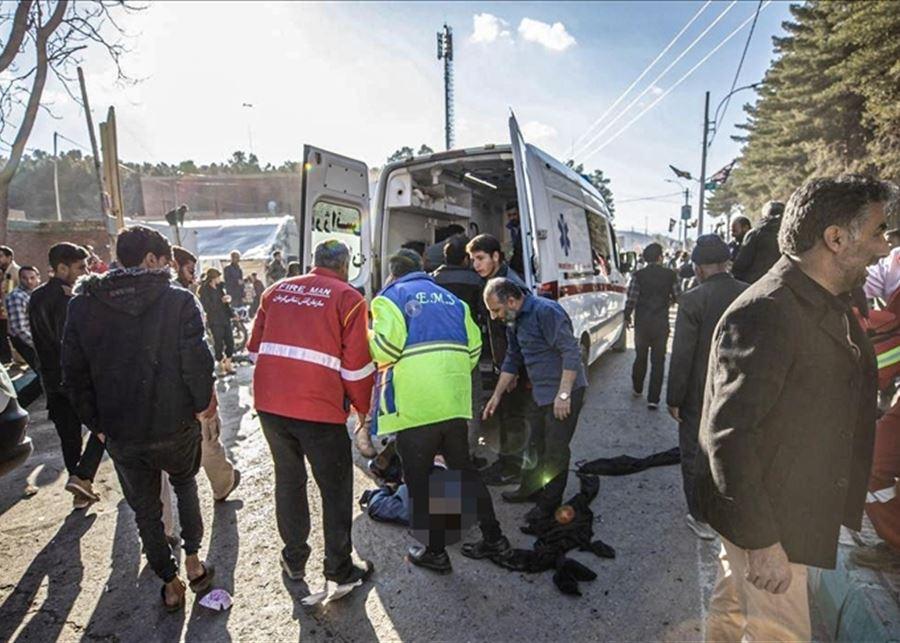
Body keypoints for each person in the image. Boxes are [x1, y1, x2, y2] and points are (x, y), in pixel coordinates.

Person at [697, 176, 893, 642]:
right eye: (879, 232)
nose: (885, 248)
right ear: (836, 238)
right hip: (773, 522)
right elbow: (732, 436)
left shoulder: (826, 299)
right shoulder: (768, 312)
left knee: (732, 602)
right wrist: (764, 544)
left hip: (786, 511)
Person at [62, 225, 218, 611]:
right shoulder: (179, 301)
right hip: (175, 424)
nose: (168, 268)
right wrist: (203, 406)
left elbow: (73, 373)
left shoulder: (83, 303)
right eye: (165, 261)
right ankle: (194, 562)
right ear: (151, 259)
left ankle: (169, 582)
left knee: (145, 510)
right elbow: (198, 363)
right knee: (185, 487)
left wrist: (97, 423)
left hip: (120, 430)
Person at [369, 249, 511, 574]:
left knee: (417, 482)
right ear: (422, 269)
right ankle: (495, 538)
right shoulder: (451, 300)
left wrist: (366, 337)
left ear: (393, 272)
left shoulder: (389, 298)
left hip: (418, 407)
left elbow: (386, 350)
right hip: (454, 404)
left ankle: (434, 552)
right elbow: (474, 350)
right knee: (465, 474)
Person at [248, 239, 375, 588]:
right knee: (334, 489)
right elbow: (356, 368)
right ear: (345, 265)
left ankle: (294, 559)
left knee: (289, 480)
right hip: (319, 409)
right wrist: (363, 410)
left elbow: (255, 350)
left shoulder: (275, 291)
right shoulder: (349, 298)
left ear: (313, 262)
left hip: (271, 407)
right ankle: (338, 566)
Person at [482, 277, 588, 523]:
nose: (495, 316)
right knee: (533, 444)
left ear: (511, 300)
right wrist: (496, 395)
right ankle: (529, 489)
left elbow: (570, 351)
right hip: (540, 392)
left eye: (496, 310)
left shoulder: (545, 311)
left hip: (564, 391)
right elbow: (512, 358)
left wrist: (564, 394)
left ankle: (549, 506)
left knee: (555, 451)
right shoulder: (513, 319)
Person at [665, 235, 747, 542]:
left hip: (700, 393)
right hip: (739, 389)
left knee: (695, 453)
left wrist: (674, 398)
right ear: (727, 263)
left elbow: (682, 354)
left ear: (698, 269)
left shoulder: (693, 298)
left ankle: (700, 516)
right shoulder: (749, 293)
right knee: (732, 452)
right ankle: (730, 511)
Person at [165, 245, 240, 514]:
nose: (192, 275)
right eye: (189, 268)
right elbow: (197, 352)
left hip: (161, 390)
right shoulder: (181, 298)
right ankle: (223, 483)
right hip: (187, 386)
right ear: (173, 265)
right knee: (207, 437)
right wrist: (208, 393)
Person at [30, 243, 104, 509]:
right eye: (79, 267)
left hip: (51, 379)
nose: (84, 272)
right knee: (104, 425)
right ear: (61, 268)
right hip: (74, 379)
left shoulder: (36, 297)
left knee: (69, 437)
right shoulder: (67, 298)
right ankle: (83, 477)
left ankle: (79, 490)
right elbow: (69, 342)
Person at [465, 233, 531, 487]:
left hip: (514, 364)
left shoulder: (509, 285)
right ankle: (507, 462)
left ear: (496, 256)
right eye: (473, 260)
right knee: (506, 414)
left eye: (480, 258)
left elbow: (517, 333)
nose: (476, 265)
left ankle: (513, 468)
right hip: (503, 360)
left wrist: (511, 370)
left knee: (514, 415)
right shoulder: (494, 279)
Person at [624, 242, 679, 410]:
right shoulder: (670, 275)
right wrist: (667, 302)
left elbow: (632, 298)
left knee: (640, 357)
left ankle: (637, 388)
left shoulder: (638, 275)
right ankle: (653, 399)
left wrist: (627, 316)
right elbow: (678, 296)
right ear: (660, 257)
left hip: (642, 323)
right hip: (661, 323)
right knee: (658, 361)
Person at [732, 201, 785, 284]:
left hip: (755, 286)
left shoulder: (754, 234)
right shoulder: (791, 233)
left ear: (764, 215)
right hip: (784, 285)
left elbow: (741, 265)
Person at [199, 268, 237, 376]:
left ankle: (228, 364)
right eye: (218, 277)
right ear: (213, 278)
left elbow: (225, 304)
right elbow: (207, 306)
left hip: (225, 318)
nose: (219, 279)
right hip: (215, 320)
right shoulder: (204, 290)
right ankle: (220, 366)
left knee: (230, 341)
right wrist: (221, 301)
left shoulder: (220, 288)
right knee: (218, 343)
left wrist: (232, 314)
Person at [5, 265, 41, 372]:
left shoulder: (33, 294)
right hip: (26, 341)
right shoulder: (17, 296)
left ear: (38, 278)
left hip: (34, 339)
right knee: (43, 372)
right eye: (25, 278)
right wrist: (38, 345)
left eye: (32, 278)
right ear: (20, 279)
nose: (29, 281)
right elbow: (19, 328)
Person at [0, 246, 19, 364]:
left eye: (1, 256)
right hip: (5, 311)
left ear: (9, 257)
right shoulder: (5, 272)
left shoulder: (15, 272)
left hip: (13, 311)